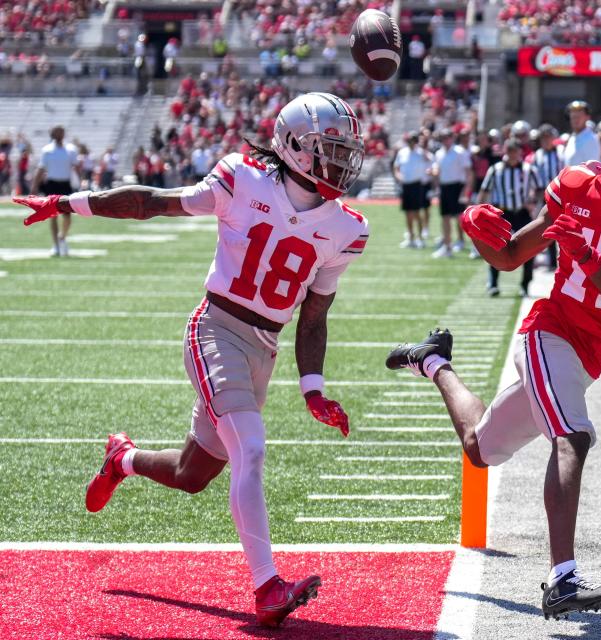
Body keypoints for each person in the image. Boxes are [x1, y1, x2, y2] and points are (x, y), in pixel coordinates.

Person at [16, 92, 369, 628]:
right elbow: (152, 201)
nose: (342, 161)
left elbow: (314, 316)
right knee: (250, 449)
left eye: (347, 151)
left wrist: (312, 388)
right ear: (294, 147)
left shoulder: (347, 228)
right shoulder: (241, 180)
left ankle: (123, 459)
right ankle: (267, 587)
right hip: (216, 329)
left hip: (265, 347)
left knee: (191, 474)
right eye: (331, 149)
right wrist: (70, 202)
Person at [385, 101, 601, 619]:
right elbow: (511, 255)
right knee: (573, 436)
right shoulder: (579, 183)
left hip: (588, 352)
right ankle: (563, 578)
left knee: (480, 450)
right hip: (547, 332)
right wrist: (478, 229)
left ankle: (432, 363)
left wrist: (585, 254)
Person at [477, 139, 541, 297]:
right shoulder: (495, 169)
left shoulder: (528, 169)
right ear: (505, 151)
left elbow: (540, 190)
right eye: (509, 150)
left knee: (529, 249)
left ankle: (525, 285)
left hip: (522, 212)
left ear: (520, 152)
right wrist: (480, 212)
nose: (512, 154)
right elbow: (484, 191)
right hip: (502, 213)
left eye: (515, 150)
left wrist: (533, 203)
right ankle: (493, 283)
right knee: (496, 247)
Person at [31, 125, 78, 257]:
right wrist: (34, 186)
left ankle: (62, 236)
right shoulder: (47, 150)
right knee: (53, 216)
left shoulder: (71, 149)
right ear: (52, 134)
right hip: (52, 185)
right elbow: (41, 168)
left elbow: (76, 167)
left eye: (62, 132)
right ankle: (56, 245)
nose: (60, 134)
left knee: (68, 215)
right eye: (58, 132)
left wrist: (81, 180)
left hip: (66, 184)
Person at [431, 128, 473, 258]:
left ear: (452, 138)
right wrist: (437, 185)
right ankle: (447, 246)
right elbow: (437, 171)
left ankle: (473, 246)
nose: (446, 140)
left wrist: (465, 192)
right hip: (445, 187)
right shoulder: (439, 153)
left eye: (448, 137)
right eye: (443, 137)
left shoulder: (460, 152)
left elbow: (468, 173)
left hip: (457, 187)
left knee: (461, 219)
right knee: (445, 218)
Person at [531, 124, 565, 269]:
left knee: (561, 226)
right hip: (543, 194)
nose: (546, 141)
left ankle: (562, 259)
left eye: (548, 138)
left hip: (560, 194)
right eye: (543, 138)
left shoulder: (560, 153)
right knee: (546, 226)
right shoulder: (537, 155)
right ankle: (550, 260)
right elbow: (532, 175)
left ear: (553, 138)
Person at [393, 132, 431, 248]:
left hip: (417, 185)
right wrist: (398, 176)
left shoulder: (420, 152)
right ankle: (411, 237)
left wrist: (424, 146)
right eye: (410, 140)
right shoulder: (402, 152)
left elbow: (429, 160)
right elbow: (396, 167)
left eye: (414, 141)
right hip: (406, 185)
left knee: (416, 212)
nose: (412, 143)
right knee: (408, 213)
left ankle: (420, 238)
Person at [561, 100, 600, 168]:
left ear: (587, 117)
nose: (576, 120)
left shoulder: (591, 139)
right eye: (573, 117)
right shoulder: (572, 138)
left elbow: (592, 170)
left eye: (579, 117)